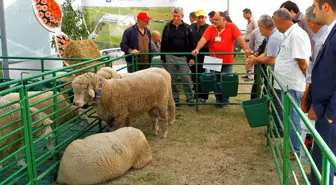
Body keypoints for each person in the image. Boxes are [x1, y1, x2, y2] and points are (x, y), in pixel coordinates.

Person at [272, 8, 311, 159]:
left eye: (275, 22)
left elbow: (302, 63)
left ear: (281, 21)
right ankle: (293, 146)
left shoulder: (295, 35)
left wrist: (308, 83)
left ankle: (295, 149)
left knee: (294, 118)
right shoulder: (290, 35)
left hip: (293, 85)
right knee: (289, 116)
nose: (275, 26)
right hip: (288, 84)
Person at [192, 11, 249, 108]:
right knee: (216, 82)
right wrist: (197, 49)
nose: (214, 21)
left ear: (224, 20)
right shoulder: (211, 28)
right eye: (214, 19)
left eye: (217, 20)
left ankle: (225, 102)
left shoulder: (232, 27)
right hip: (213, 60)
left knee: (225, 82)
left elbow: (239, 38)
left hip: (227, 60)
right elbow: (203, 39)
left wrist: (246, 49)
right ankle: (219, 101)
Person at [310, 0, 336, 184]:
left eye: (315, 6)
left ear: (325, 6)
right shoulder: (330, 31)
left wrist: (330, 113)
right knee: (323, 157)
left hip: (330, 112)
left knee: (325, 159)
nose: (313, 10)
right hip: (325, 109)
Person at [246, 15, 285, 136]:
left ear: (263, 26)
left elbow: (270, 59)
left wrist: (255, 60)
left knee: (277, 100)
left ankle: (279, 129)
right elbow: (267, 53)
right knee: (275, 98)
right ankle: (278, 126)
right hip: (278, 72)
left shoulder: (274, 37)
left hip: (280, 74)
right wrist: (256, 58)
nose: (259, 30)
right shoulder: (272, 36)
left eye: (259, 27)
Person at [161, 7, 195, 106]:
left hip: (183, 57)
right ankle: (175, 98)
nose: (176, 18)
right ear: (172, 15)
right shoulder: (167, 27)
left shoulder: (187, 27)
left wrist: (192, 58)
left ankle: (190, 98)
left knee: (186, 78)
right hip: (169, 56)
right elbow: (163, 43)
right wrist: (162, 58)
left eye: (178, 16)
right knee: (173, 78)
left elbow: (191, 43)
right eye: (174, 16)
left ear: (182, 16)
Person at [301, 5, 328, 114]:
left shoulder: (321, 41)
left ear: (310, 21)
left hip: (318, 94)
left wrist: (317, 106)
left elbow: (321, 73)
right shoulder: (323, 37)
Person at [190, 9, 210, 103]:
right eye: (199, 17)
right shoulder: (191, 27)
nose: (201, 19)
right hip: (194, 54)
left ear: (205, 18)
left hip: (206, 54)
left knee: (205, 74)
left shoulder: (209, 28)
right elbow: (189, 41)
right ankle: (197, 94)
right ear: (196, 18)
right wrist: (191, 57)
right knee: (195, 74)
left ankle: (205, 96)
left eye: (203, 17)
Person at [242, 8, 258, 81]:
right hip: (247, 43)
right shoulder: (248, 22)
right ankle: (248, 74)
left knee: (250, 58)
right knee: (247, 59)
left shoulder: (254, 21)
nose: (243, 16)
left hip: (250, 43)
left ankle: (251, 77)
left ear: (248, 13)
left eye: (244, 14)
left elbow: (257, 31)